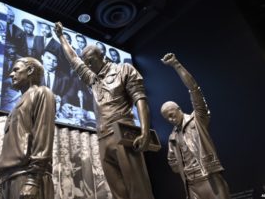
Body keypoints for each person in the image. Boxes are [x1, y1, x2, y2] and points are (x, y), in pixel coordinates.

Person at [54, 22, 155, 199]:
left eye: (91, 61)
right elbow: (73, 59)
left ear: (102, 56)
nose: (88, 65)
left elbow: (140, 99)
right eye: (86, 62)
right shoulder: (92, 80)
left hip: (123, 133)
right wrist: (61, 37)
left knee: (138, 189)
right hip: (102, 137)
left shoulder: (124, 69)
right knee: (118, 192)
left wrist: (145, 131)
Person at [160, 53, 230, 199]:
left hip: (208, 177)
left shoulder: (197, 120)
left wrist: (176, 65)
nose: (171, 119)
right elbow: (173, 163)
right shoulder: (172, 138)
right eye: (167, 118)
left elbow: (194, 90)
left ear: (179, 109)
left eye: (172, 114)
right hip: (191, 184)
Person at [0, 57, 55, 199]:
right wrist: (2, 183)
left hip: (27, 176)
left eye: (16, 69)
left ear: (30, 70)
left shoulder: (42, 93)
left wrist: (33, 180)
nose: (11, 74)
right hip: (8, 179)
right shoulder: (17, 104)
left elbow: (43, 136)